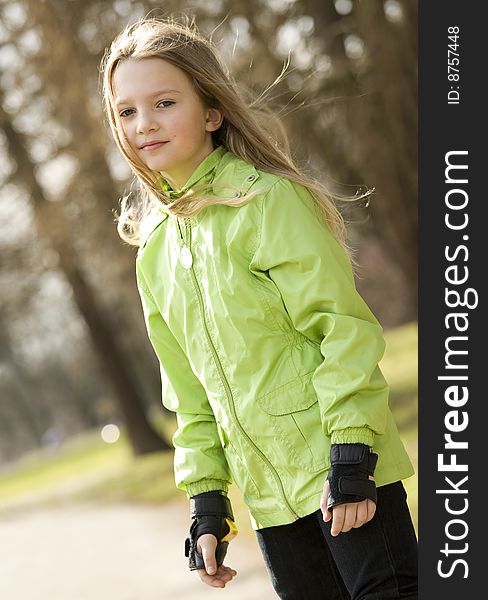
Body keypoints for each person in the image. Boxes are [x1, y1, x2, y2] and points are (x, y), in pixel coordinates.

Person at [100, 16, 418, 600]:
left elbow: (342, 329)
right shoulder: (156, 253)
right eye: (126, 112)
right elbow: (190, 395)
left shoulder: (268, 202)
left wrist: (351, 454)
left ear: (212, 111)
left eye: (165, 102)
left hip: (343, 478)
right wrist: (207, 499)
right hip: (271, 508)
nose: (144, 124)